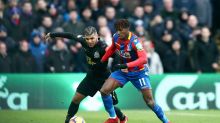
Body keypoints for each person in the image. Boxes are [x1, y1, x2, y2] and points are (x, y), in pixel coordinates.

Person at [45, 26, 127, 123]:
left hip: (104, 79)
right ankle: (67, 121)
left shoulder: (103, 47)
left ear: (97, 36)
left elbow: (117, 55)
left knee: (109, 106)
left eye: (92, 38)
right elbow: (70, 35)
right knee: (76, 99)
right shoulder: (83, 41)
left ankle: (122, 118)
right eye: (87, 39)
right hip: (91, 77)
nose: (89, 41)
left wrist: (117, 71)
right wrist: (52, 34)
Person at [100, 19, 171, 123]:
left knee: (150, 102)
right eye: (117, 30)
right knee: (104, 91)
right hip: (124, 72)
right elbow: (112, 48)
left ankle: (166, 121)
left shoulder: (135, 41)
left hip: (139, 73)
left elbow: (144, 59)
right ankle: (113, 118)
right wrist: (103, 60)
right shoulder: (116, 37)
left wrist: (126, 65)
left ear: (127, 29)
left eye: (121, 30)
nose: (118, 32)